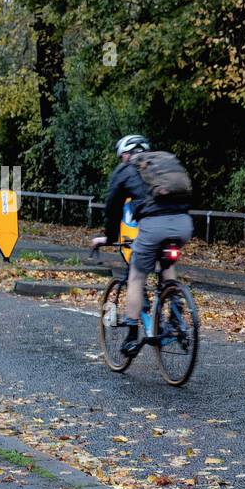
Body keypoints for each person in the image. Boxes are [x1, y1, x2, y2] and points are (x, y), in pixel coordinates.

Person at [91, 134, 194, 357]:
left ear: (126, 154)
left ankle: (130, 335)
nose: (121, 161)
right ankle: (176, 309)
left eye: (121, 157)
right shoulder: (162, 164)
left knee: (136, 276)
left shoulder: (126, 169)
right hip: (184, 223)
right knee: (166, 261)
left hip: (154, 226)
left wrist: (109, 237)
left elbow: (113, 207)